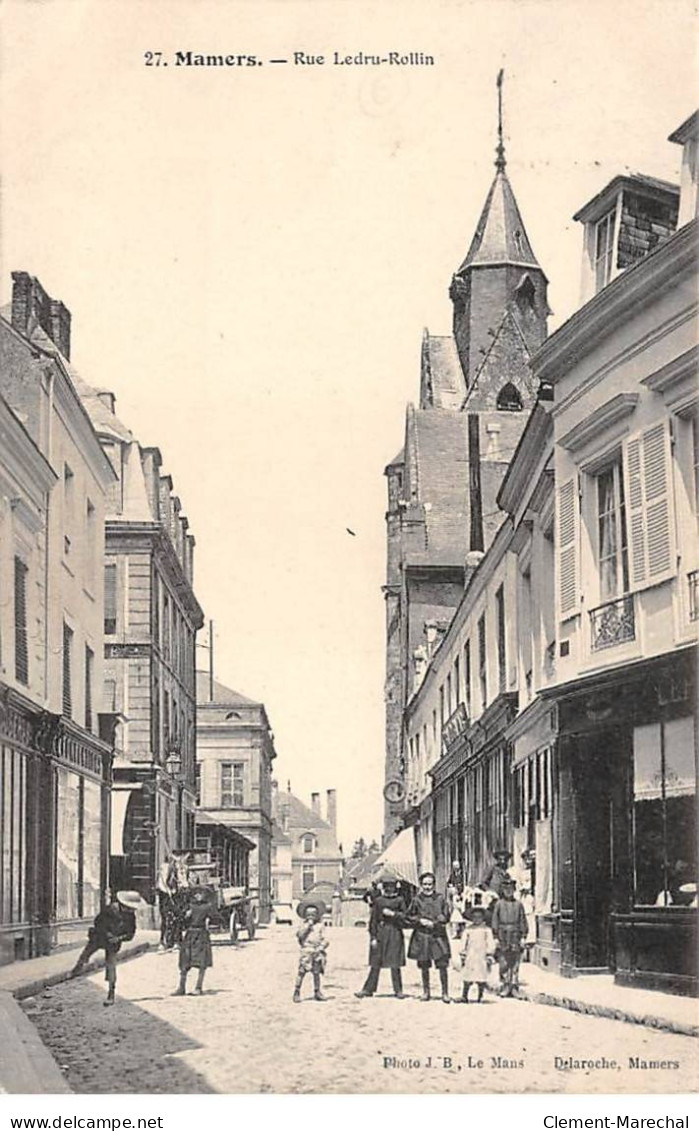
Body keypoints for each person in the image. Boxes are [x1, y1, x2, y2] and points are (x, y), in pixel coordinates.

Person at [70, 890, 140, 1006]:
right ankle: (76, 970)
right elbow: (97, 922)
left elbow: (130, 934)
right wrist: (107, 933)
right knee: (86, 954)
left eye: (133, 908)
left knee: (111, 966)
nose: (131, 911)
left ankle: (111, 994)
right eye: (129, 908)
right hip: (99, 937)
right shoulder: (109, 910)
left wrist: (118, 938)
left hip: (113, 943)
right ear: (123, 904)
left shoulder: (131, 917)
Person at [355, 873, 407, 999]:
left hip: (395, 932)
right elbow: (373, 921)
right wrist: (373, 937)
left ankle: (398, 990)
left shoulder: (400, 900)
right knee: (376, 962)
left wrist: (394, 914)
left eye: (392, 886)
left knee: (395, 962)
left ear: (396, 887)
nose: (390, 889)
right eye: (387, 886)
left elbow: (406, 918)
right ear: (383, 887)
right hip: (381, 932)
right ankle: (368, 989)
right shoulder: (378, 901)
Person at [407, 871, 451, 1003]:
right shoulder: (416, 899)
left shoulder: (440, 898)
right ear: (421, 885)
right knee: (424, 964)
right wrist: (419, 920)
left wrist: (436, 922)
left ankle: (445, 993)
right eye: (425, 884)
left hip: (438, 935)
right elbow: (408, 916)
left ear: (434, 885)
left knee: (442, 964)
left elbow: (446, 915)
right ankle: (426, 991)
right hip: (422, 936)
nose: (427, 887)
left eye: (430, 884)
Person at [490, 876, 528, 997]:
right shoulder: (499, 904)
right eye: (506, 889)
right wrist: (495, 937)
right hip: (502, 935)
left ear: (514, 890)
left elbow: (523, 920)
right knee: (504, 961)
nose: (508, 891)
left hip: (515, 934)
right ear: (502, 890)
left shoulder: (518, 905)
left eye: (511, 889)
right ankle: (505, 986)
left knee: (515, 961)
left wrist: (523, 936)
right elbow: (495, 921)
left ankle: (514, 986)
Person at [173, 887, 213, 996]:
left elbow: (215, 918)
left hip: (201, 935)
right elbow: (181, 919)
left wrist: (208, 920)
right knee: (185, 961)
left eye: (201, 894)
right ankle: (181, 987)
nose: (199, 896)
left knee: (201, 962)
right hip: (190, 934)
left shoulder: (208, 907)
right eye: (197, 894)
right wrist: (185, 915)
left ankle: (198, 987)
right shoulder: (189, 906)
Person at [455, 905, 494, 1003]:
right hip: (471, 955)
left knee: (481, 976)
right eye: (475, 917)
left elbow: (490, 942)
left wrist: (489, 953)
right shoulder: (468, 929)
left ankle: (480, 996)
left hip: (481, 955)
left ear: (483, 918)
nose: (477, 919)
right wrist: (462, 952)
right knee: (467, 976)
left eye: (479, 917)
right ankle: (464, 995)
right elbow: (463, 941)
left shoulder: (486, 930)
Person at [293, 898, 329, 1002]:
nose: (311, 917)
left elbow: (325, 939)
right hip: (306, 951)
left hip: (317, 951)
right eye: (308, 914)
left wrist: (322, 946)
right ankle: (297, 991)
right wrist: (307, 927)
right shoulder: (303, 925)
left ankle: (317, 991)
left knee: (316, 972)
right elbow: (299, 936)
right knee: (301, 972)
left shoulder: (320, 926)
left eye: (313, 914)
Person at [156, 853, 176, 949]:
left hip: (172, 892)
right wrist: (168, 891)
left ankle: (173, 939)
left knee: (174, 917)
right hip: (164, 893)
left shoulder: (174, 868)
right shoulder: (164, 867)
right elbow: (163, 881)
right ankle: (163, 940)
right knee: (165, 917)